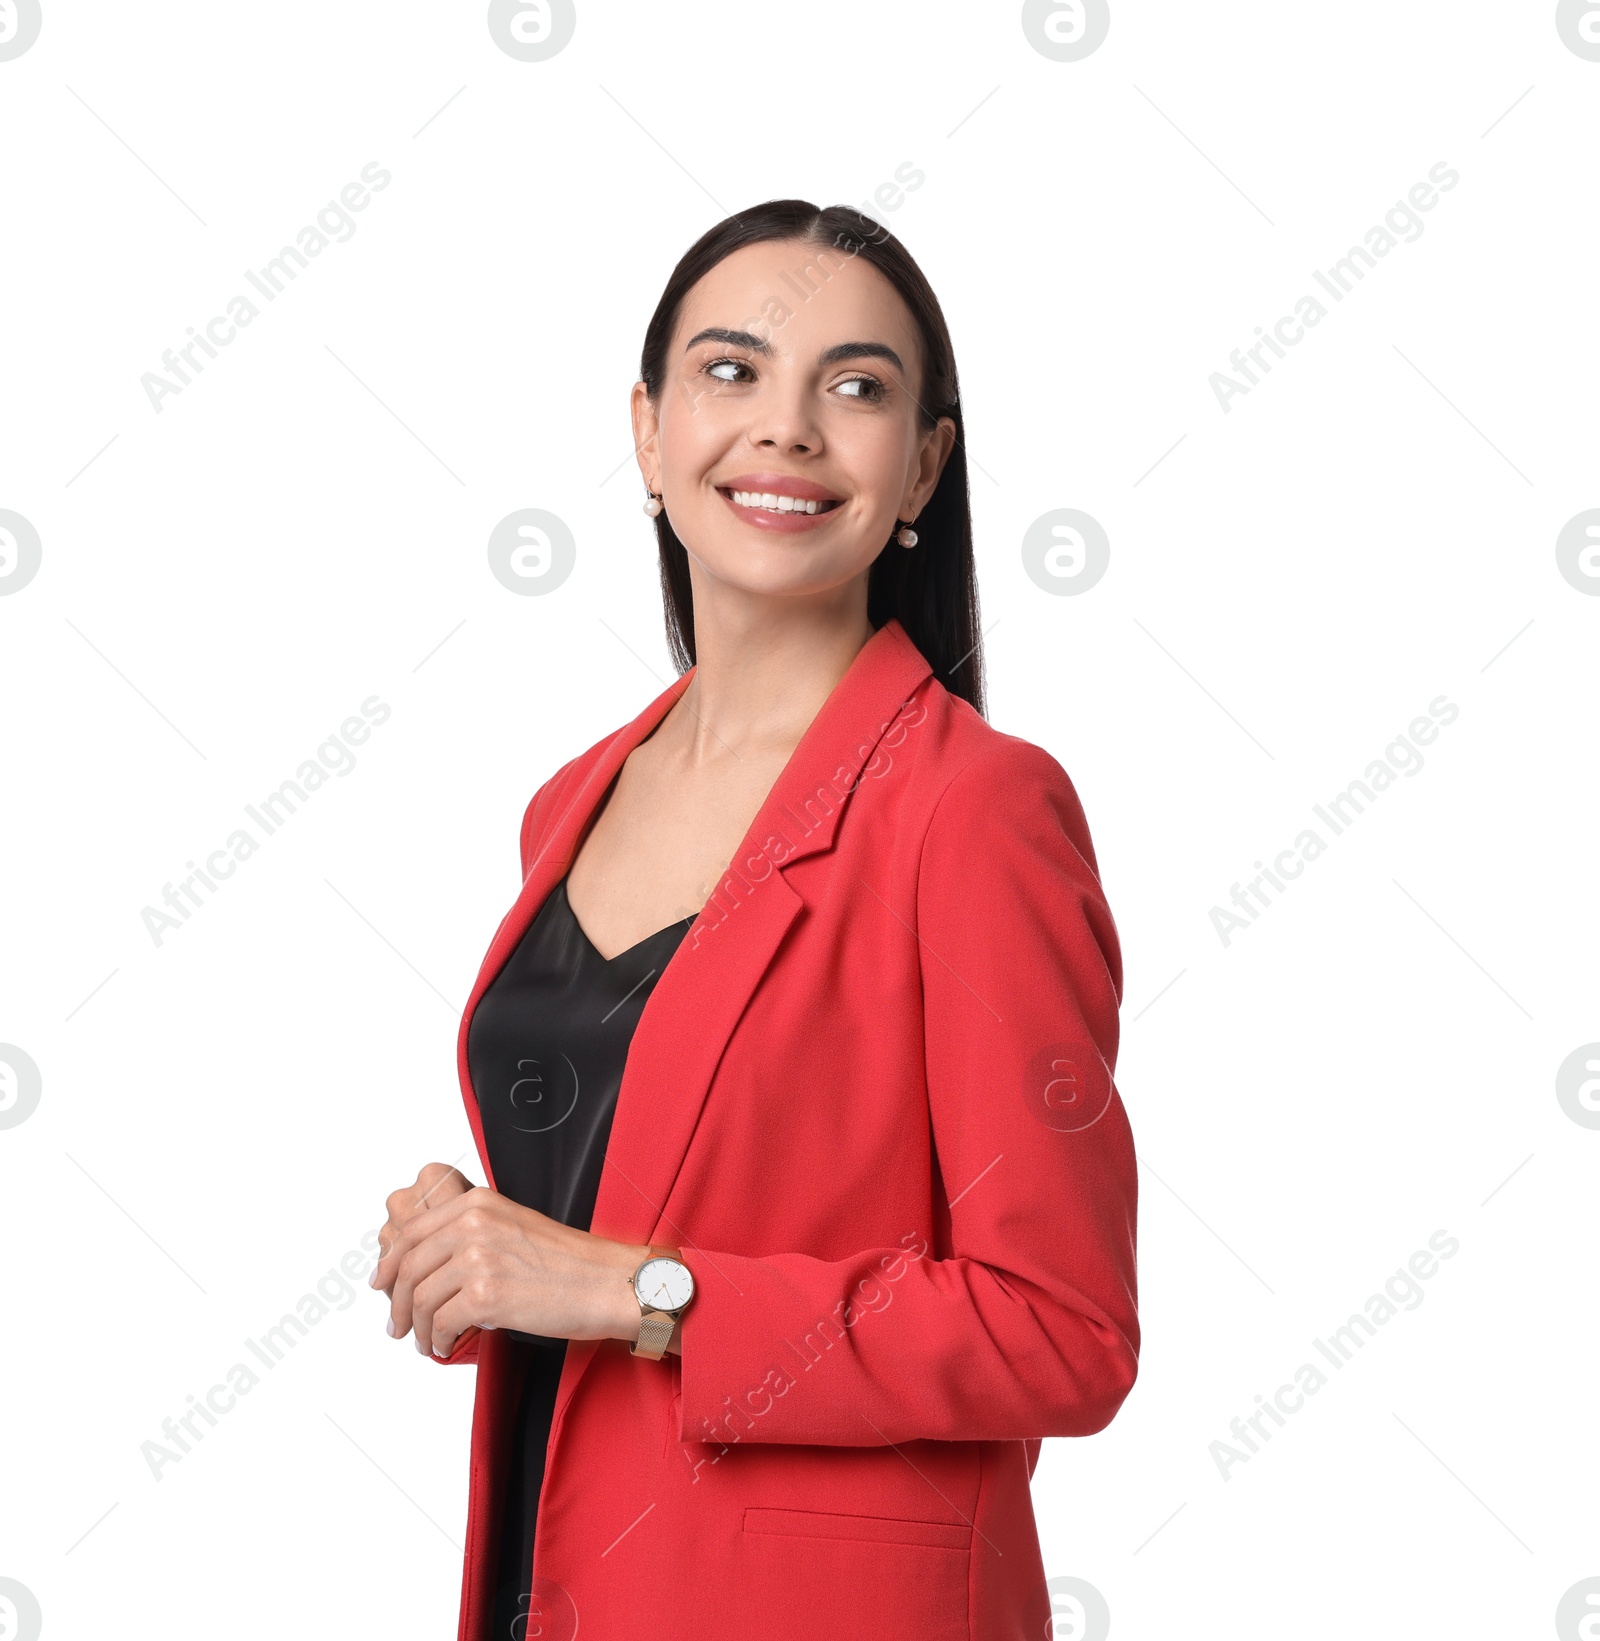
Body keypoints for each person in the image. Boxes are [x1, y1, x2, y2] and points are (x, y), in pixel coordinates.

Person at [370, 199, 1140, 1641]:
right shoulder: (573, 799)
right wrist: (488, 1250)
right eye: (732, 372)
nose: (785, 428)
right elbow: (652, 1195)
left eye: (855, 388)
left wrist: (636, 1289)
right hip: (563, 1581)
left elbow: (1063, 1330)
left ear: (921, 465)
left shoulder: (975, 810)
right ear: (650, 433)